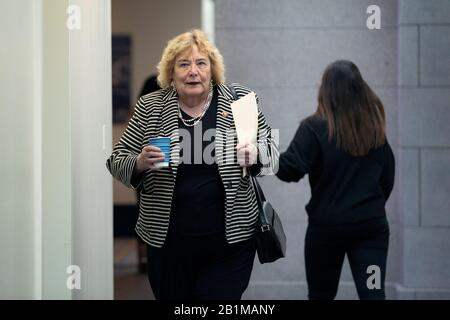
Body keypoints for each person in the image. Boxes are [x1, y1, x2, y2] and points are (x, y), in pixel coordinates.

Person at [106, 29, 278, 300]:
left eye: (201, 63)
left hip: (230, 244)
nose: (193, 71)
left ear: (212, 70)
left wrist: (256, 154)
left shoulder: (240, 101)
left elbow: (273, 153)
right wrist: (138, 162)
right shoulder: (150, 107)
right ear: (171, 73)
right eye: (183, 64)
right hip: (168, 246)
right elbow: (116, 160)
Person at [276, 60, 395, 300]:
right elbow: (387, 177)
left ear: (326, 91)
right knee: (373, 294)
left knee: (321, 295)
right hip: (370, 228)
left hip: (327, 230)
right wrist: (369, 207)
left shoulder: (313, 128)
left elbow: (290, 169)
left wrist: (261, 156)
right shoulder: (373, 127)